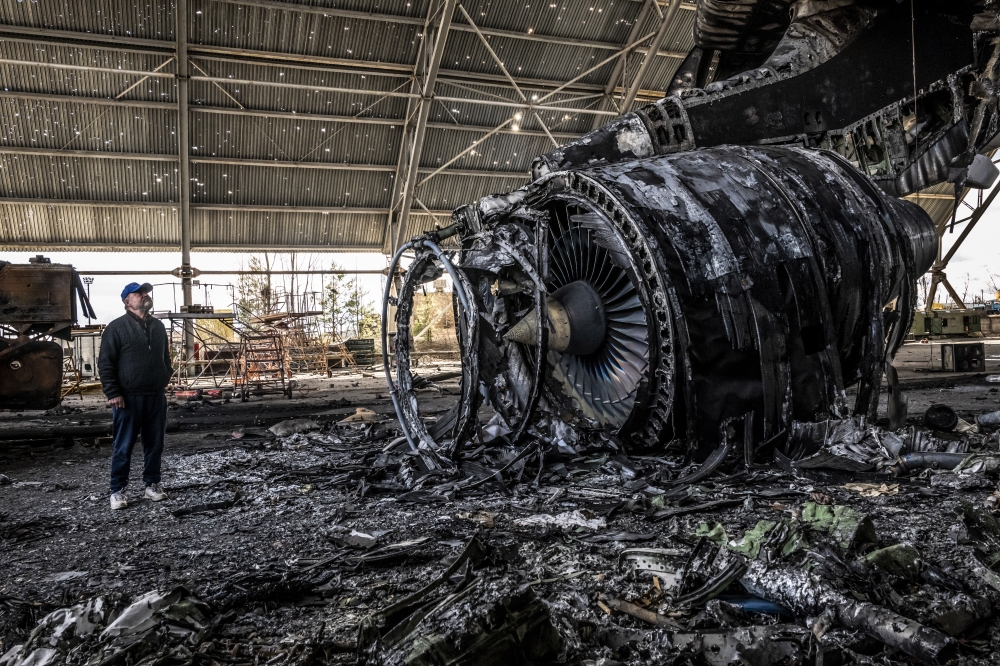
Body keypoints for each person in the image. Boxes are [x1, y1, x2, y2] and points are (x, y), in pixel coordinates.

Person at [98, 282, 173, 510]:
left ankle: (152, 485)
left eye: (145, 293)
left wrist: (164, 377)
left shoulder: (158, 327)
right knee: (123, 446)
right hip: (128, 398)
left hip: (155, 396)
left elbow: (166, 359)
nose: (144, 296)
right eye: (138, 293)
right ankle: (117, 490)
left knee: (155, 444)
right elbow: (105, 363)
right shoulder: (116, 328)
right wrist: (113, 392)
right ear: (127, 301)